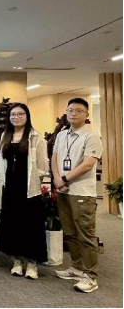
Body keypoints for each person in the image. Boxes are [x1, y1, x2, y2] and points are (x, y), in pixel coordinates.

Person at [53, 98, 103, 293]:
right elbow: (55, 158)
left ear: (86, 114)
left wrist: (64, 178)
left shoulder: (91, 137)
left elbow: (88, 164)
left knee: (85, 234)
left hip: (82, 192)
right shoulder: (62, 134)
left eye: (78, 111)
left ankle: (90, 276)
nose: (73, 113)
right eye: (70, 110)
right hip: (63, 190)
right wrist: (57, 179)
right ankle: (77, 267)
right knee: (70, 232)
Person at [0, 103, 49, 280]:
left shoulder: (35, 137)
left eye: (20, 114)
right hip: (10, 188)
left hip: (29, 188)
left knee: (31, 225)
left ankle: (32, 263)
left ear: (27, 116)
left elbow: (42, 166)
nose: (16, 117)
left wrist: (37, 185)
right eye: (13, 114)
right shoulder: (5, 135)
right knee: (13, 224)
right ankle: (17, 261)